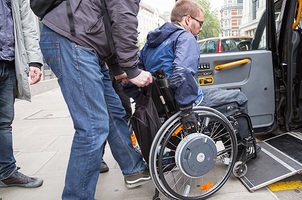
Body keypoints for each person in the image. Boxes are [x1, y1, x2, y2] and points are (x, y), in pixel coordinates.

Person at [39, 0, 153, 199]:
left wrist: (118, 69)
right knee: (92, 127)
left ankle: (132, 167)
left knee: (114, 112)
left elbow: (106, 22)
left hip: (84, 42)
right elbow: (122, 18)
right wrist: (132, 68)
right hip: (72, 40)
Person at [139, 0, 248, 132]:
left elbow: (136, 74)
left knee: (217, 90)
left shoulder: (149, 45)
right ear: (187, 20)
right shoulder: (185, 37)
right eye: (200, 23)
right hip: (186, 103)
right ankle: (245, 148)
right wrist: (186, 110)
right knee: (239, 98)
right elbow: (182, 72)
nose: (201, 28)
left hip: (163, 105)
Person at [0, 0, 43, 188]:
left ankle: (6, 172)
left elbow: (27, 26)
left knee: (4, 122)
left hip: (8, 62)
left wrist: (34, 61)